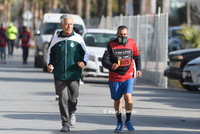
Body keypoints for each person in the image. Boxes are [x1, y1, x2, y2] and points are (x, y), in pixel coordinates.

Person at [47, 14, 89, 132]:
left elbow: (86, 53)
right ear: (62, 25)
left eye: (71, 24)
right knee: (62, 99)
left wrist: (83, 62)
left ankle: (72, 112)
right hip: (59, 75)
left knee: (73, 99)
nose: (69, 26)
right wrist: (49, 65)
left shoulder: (78, 38)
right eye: (66, 24)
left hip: (74, 74)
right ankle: (65, 123)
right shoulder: (56, 39)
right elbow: (50, 53)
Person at [102, 25, 142, 133]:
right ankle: (119, 122)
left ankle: (128, 121)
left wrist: (138, 69)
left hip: (128, 76)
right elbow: (104, 61)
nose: (122, 36)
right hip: (115, 78)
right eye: (120, 34)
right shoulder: (111, 44)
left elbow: (137, 56)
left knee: (128, 97)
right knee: (117, 100)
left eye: (124, 34)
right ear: (117, 34)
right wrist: (111, 66)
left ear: (127, 35)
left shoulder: (132, 43)